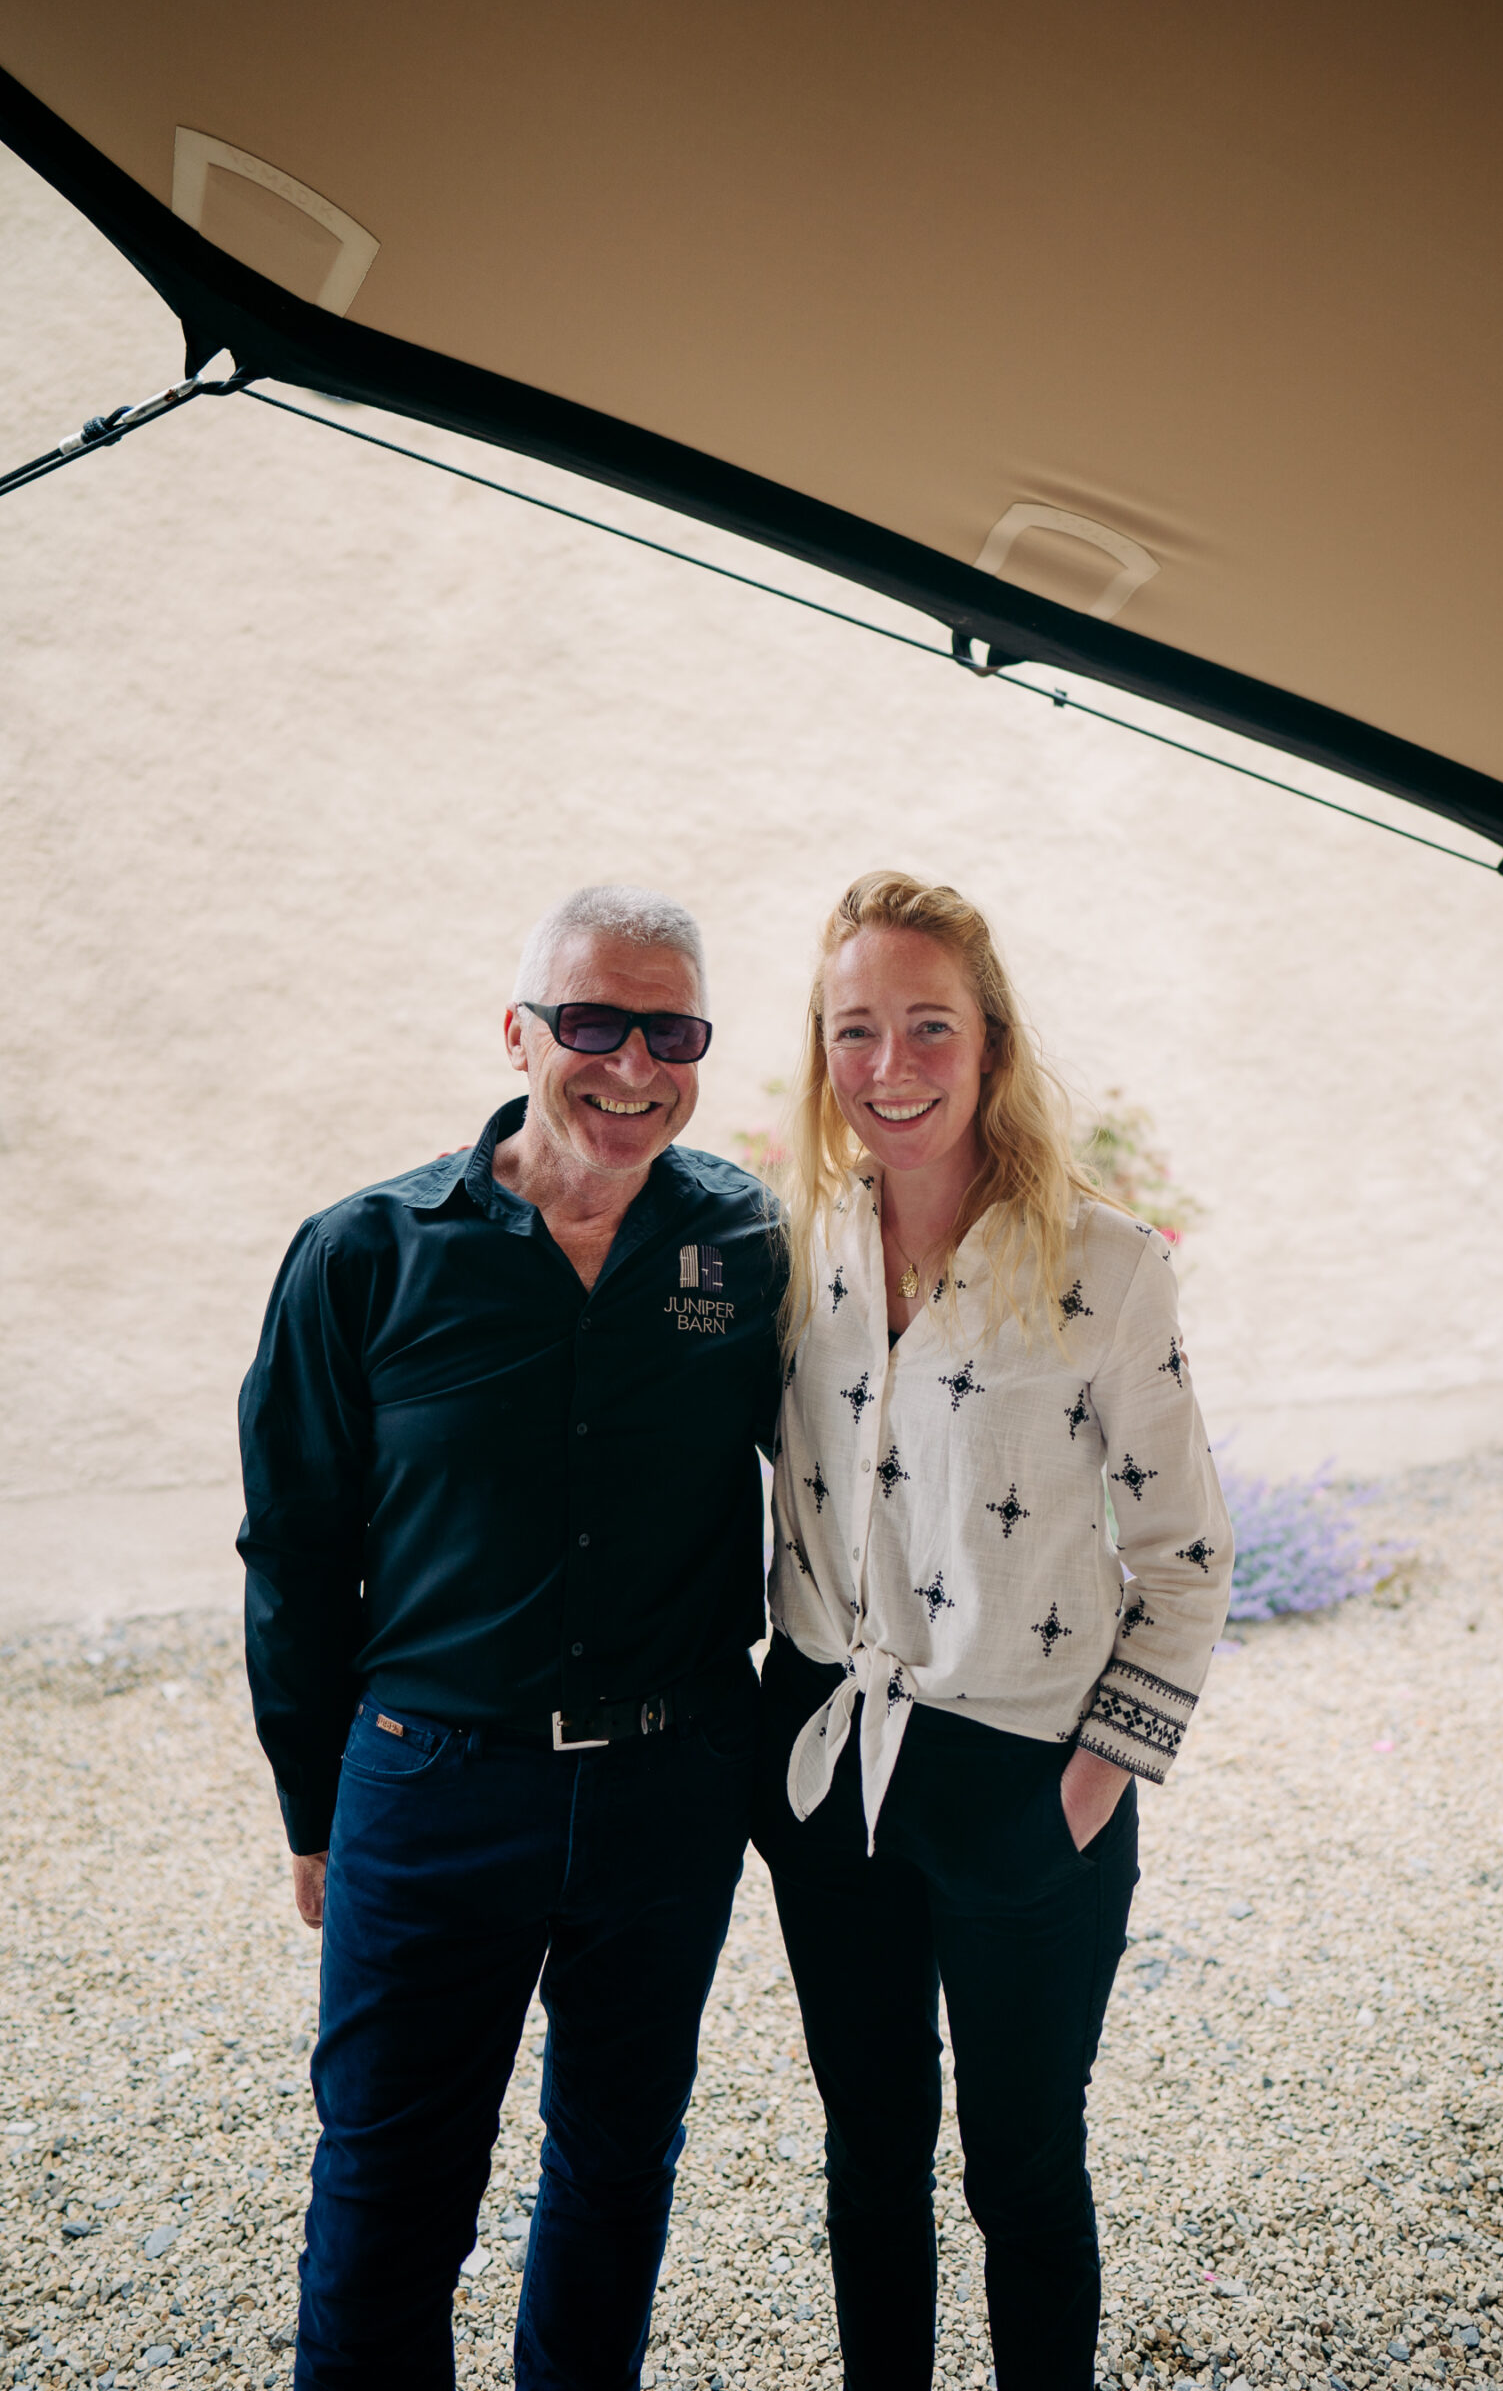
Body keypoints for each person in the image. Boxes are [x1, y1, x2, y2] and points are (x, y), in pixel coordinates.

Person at [238, 885, 782, 2391]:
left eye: (670, 1031)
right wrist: (311, 1806)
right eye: (593, 1023)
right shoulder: (364, 1253)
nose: (630, 1065)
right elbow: (292, 1548)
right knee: (392, 2193)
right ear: (520, 1032)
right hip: (433, 1788)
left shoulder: (745, 1241)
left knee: (617, 2176)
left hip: (671, 1793)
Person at [757, 871, 1232, 2391]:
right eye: (855, 1031)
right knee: (870, 2157)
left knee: (1022, 2172)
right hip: (830, 1769)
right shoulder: (790, 1254)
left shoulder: (1105, 1267)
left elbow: (1187, 1554)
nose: (889, 1067)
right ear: (819, 1050)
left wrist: (1090, 1789)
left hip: (1028, 1775)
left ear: (993, 1044)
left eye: (927, 1027)